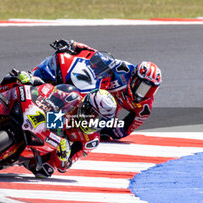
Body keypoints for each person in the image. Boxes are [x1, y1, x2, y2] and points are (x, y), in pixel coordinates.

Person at [0, 71, 117, 178]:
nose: (93, 120)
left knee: (45, 171)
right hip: (41, 120)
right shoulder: (72, 97)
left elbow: (64, 166)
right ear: (86, 105)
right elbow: (47, 91)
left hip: (48, 147)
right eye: (93, 114)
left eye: (100, 120)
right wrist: (32, 81)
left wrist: (63, 155)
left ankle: (4, 158)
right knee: (12, 81)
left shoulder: (90, 140)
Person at [31, 39, 163, 139]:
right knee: (70, 89)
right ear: (134, 78)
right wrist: (73, 45)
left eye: (151, 90)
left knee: (84, 129)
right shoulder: (123, 70)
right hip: (93, 90)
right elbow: (98, 56)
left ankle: (56, 128)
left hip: (104, 110)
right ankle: (36, 84)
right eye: (143, 87)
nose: (144, 93)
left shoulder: (144, 107)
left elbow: (124, 131)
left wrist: (105, 128)